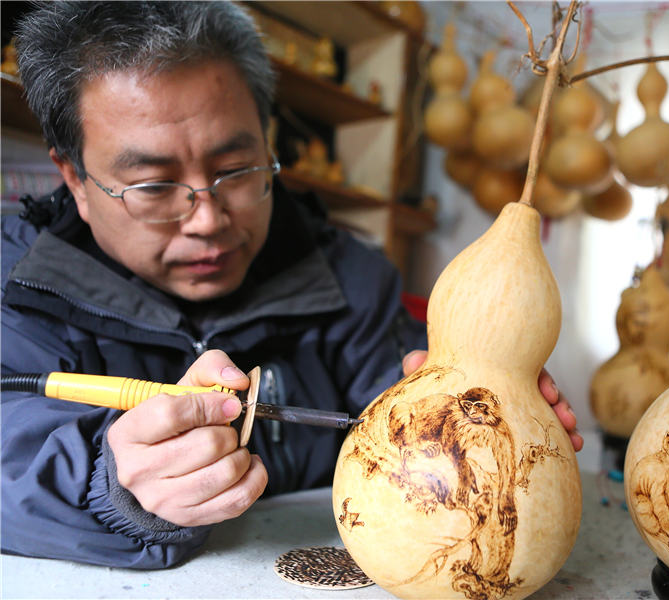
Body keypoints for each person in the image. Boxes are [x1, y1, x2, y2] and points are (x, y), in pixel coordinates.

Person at [1, 1, 582, 570]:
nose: (208, 219)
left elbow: (384, 392)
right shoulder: (16, 288)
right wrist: (110, 487)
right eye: (153, 186)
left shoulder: (351, 278)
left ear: (267, 138)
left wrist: (456, 390)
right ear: (74, 178)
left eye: (236, 169)